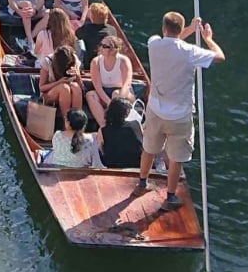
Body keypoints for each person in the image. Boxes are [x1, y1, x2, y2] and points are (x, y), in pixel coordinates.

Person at [136, 12, 225, 210]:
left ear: (163, 28)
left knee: (149, 147)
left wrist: (189, 30)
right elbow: (220, 57)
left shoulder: (154, 44)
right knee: (176, 157)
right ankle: (170, 196)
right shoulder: (189, 52)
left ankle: (142, 182)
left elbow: (171, 40)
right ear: (180, 28)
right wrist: (208, 39)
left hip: (156, 109)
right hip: (179, 115)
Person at [85, 33, 136, 127]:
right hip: (104, 93)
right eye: (101, 45)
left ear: (114, 50)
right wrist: (110, 103)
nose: (101, 48)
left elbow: (127, 85)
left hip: (122, 94)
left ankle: (117, 124)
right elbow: (98, 87)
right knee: (90, 95)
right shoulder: (96, 62)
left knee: (116, 94)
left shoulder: (123, 61)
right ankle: (105, 126)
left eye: (105, 46)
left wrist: (116, 102)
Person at [38, 46, 84, 129]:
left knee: (75, 87)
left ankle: (78, 125)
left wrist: (77, 76)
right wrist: (59, 82)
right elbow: (41, 87)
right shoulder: (47, 61)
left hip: (70, 92)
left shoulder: (74, 60)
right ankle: (67, 125)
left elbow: (81, 86)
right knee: (64, 88)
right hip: (49, 94)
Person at [98, 96, 145, 169]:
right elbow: (143, 143)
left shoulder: (102, 130)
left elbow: (100, 150)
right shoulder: (136, 124)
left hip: (112, 165)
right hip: (136, 164)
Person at [75, 2, 120, 70]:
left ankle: (79, 66)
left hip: (89, 64)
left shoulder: (86, 29)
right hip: (108, 63)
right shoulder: (112, 29)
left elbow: (76, 34)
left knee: (77, 42)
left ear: (92, 17)